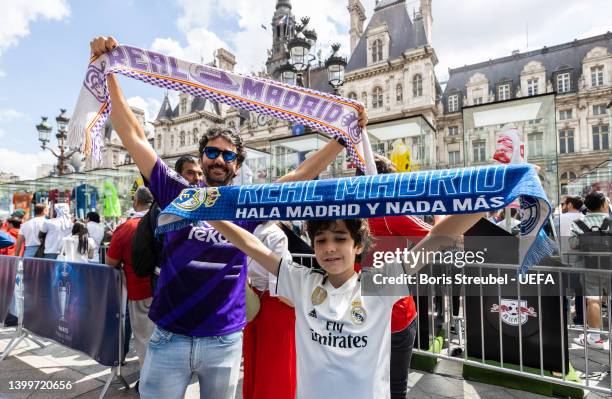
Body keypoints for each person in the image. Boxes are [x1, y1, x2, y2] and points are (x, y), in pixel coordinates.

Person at [90, 34, 366, 399]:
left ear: (237, 164)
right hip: (170, 336)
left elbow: (299, 177)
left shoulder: (247, 203)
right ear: (201, 157)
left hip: (223, 341)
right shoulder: (178, 192)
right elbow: (133, 135)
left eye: (228, 155)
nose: (219, 159)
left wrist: (342, 137)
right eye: (212, 152)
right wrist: (108, 69)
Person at [207, 212, 483, 398]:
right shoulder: (303, 282)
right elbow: (251, 244)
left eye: (340, 239)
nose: (329, 248)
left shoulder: (379, 284)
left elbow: (437, 238)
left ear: (359, 246)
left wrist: (495, 196)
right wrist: (206, 211)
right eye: (321, 240)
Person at [357, 154, 430, 398]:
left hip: (358, 313)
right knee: (396, 387)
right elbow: (436, 238)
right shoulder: (391, 212)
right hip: (395, 315)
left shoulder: (349, 213)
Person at [106, 187, 156, 384]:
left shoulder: (127, 227)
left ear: (136, 202)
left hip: (140, 291)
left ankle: (150, 383)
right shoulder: (166, 221)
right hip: (168, 290)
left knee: (144, 339)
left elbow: (111, 261)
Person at [242, 221, 295, 399]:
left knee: (257, 366)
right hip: (276, 309)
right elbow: (279, 287)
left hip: (255, 301)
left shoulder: (248, 229)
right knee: (276, 370)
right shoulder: (276, 236)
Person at [570, 191, 611, 350]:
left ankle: (594, 337)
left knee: (593, 301)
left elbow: (573, 245)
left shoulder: (578, 223)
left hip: (590, 267)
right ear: (603, 204)